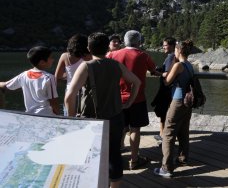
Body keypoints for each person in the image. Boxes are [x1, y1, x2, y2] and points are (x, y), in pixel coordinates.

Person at [64, 32, 141, 188]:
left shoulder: (86, 66)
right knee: (114, 155)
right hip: (115, 117)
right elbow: (137, 82)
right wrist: (128, 103)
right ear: (107, 47)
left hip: (92, 120)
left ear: (88, 48)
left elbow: (69, 97)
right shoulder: (116, 65)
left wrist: (72, 121)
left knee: (90, 157)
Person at [107, 30, 159, 170]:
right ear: (139, 41)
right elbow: (154, 70)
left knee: (119, 129)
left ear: (124, 41)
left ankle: (116, 158)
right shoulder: (143, 55)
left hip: (117, 99)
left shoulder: (113, 54)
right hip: (137, 98)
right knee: (135, 129)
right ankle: (134, 160)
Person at [154, 40, 194, 178]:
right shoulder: (190, 65)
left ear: (178, 51)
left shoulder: (178, 65)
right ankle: (182, 158)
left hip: (177, 100)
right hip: (187, 102)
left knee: (168, 133)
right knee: (183, 130)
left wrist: (163, 74)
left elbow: (167, 82)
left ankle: (167, 168)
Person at [0, 46, 59, 116]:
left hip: (30, 115)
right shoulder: (49, 77)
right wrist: (57, 115)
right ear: (42, 62)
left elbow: (6, 85)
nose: (53, 60)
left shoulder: (24, 75)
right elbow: (53, 102)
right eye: (51, 58)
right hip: (47, 115)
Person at [55, 34, 91, 115]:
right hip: (85, 91)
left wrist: (69, 74)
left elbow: (58, 76)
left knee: (69, 118)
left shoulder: (65, 56)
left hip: (70, 91)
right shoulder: (89, 57)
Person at [151, 37, 177, 143]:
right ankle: (164, 135)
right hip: (169, 91)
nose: (163, 47)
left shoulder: (171, 57)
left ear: (171, 46)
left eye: (165, 45)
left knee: (163, 112)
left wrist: (160, 73)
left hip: (166, 90)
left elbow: (167, 74)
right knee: (164, 112)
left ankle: (163, 136)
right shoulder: (172, 56)